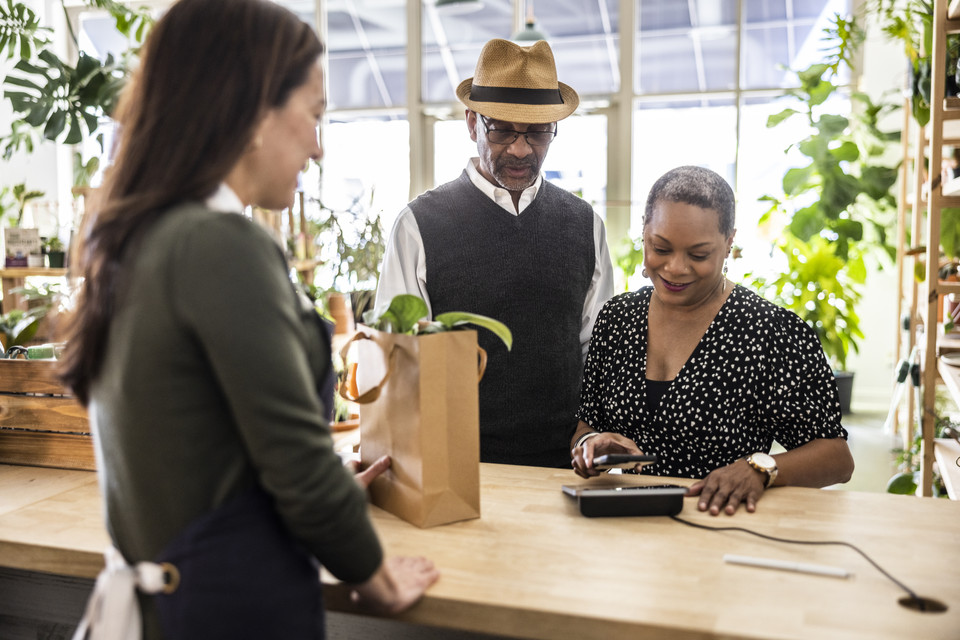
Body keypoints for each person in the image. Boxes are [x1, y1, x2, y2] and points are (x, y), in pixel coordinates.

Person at [59, 1, 437, 637]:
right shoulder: (220, 245)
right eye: (314, 115)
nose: (318, 148)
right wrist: (375, 573)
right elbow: (298, 465)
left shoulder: (131, 239)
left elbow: (197, 439)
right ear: (256, 108)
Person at [375, 38, 615, 468]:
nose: (521, 149)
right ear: (472, 122)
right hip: (457, 465)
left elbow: (596, 352)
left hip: (565, 466)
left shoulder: (584, 224)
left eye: (538, 132)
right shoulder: (418, 225)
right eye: (502, 129)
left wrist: (593, 438)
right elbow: (397, 359)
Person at [570, 166, 854, 515]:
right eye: (660, 247)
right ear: (644, 231)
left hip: (720, 522)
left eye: (698, 255)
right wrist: (591, 443)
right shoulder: (617, 319)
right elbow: (588, 421)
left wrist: (760, 469)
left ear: (729, 243)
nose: (675, 268)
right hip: (628, 525)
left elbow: (837, 459)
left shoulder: (770, 332)